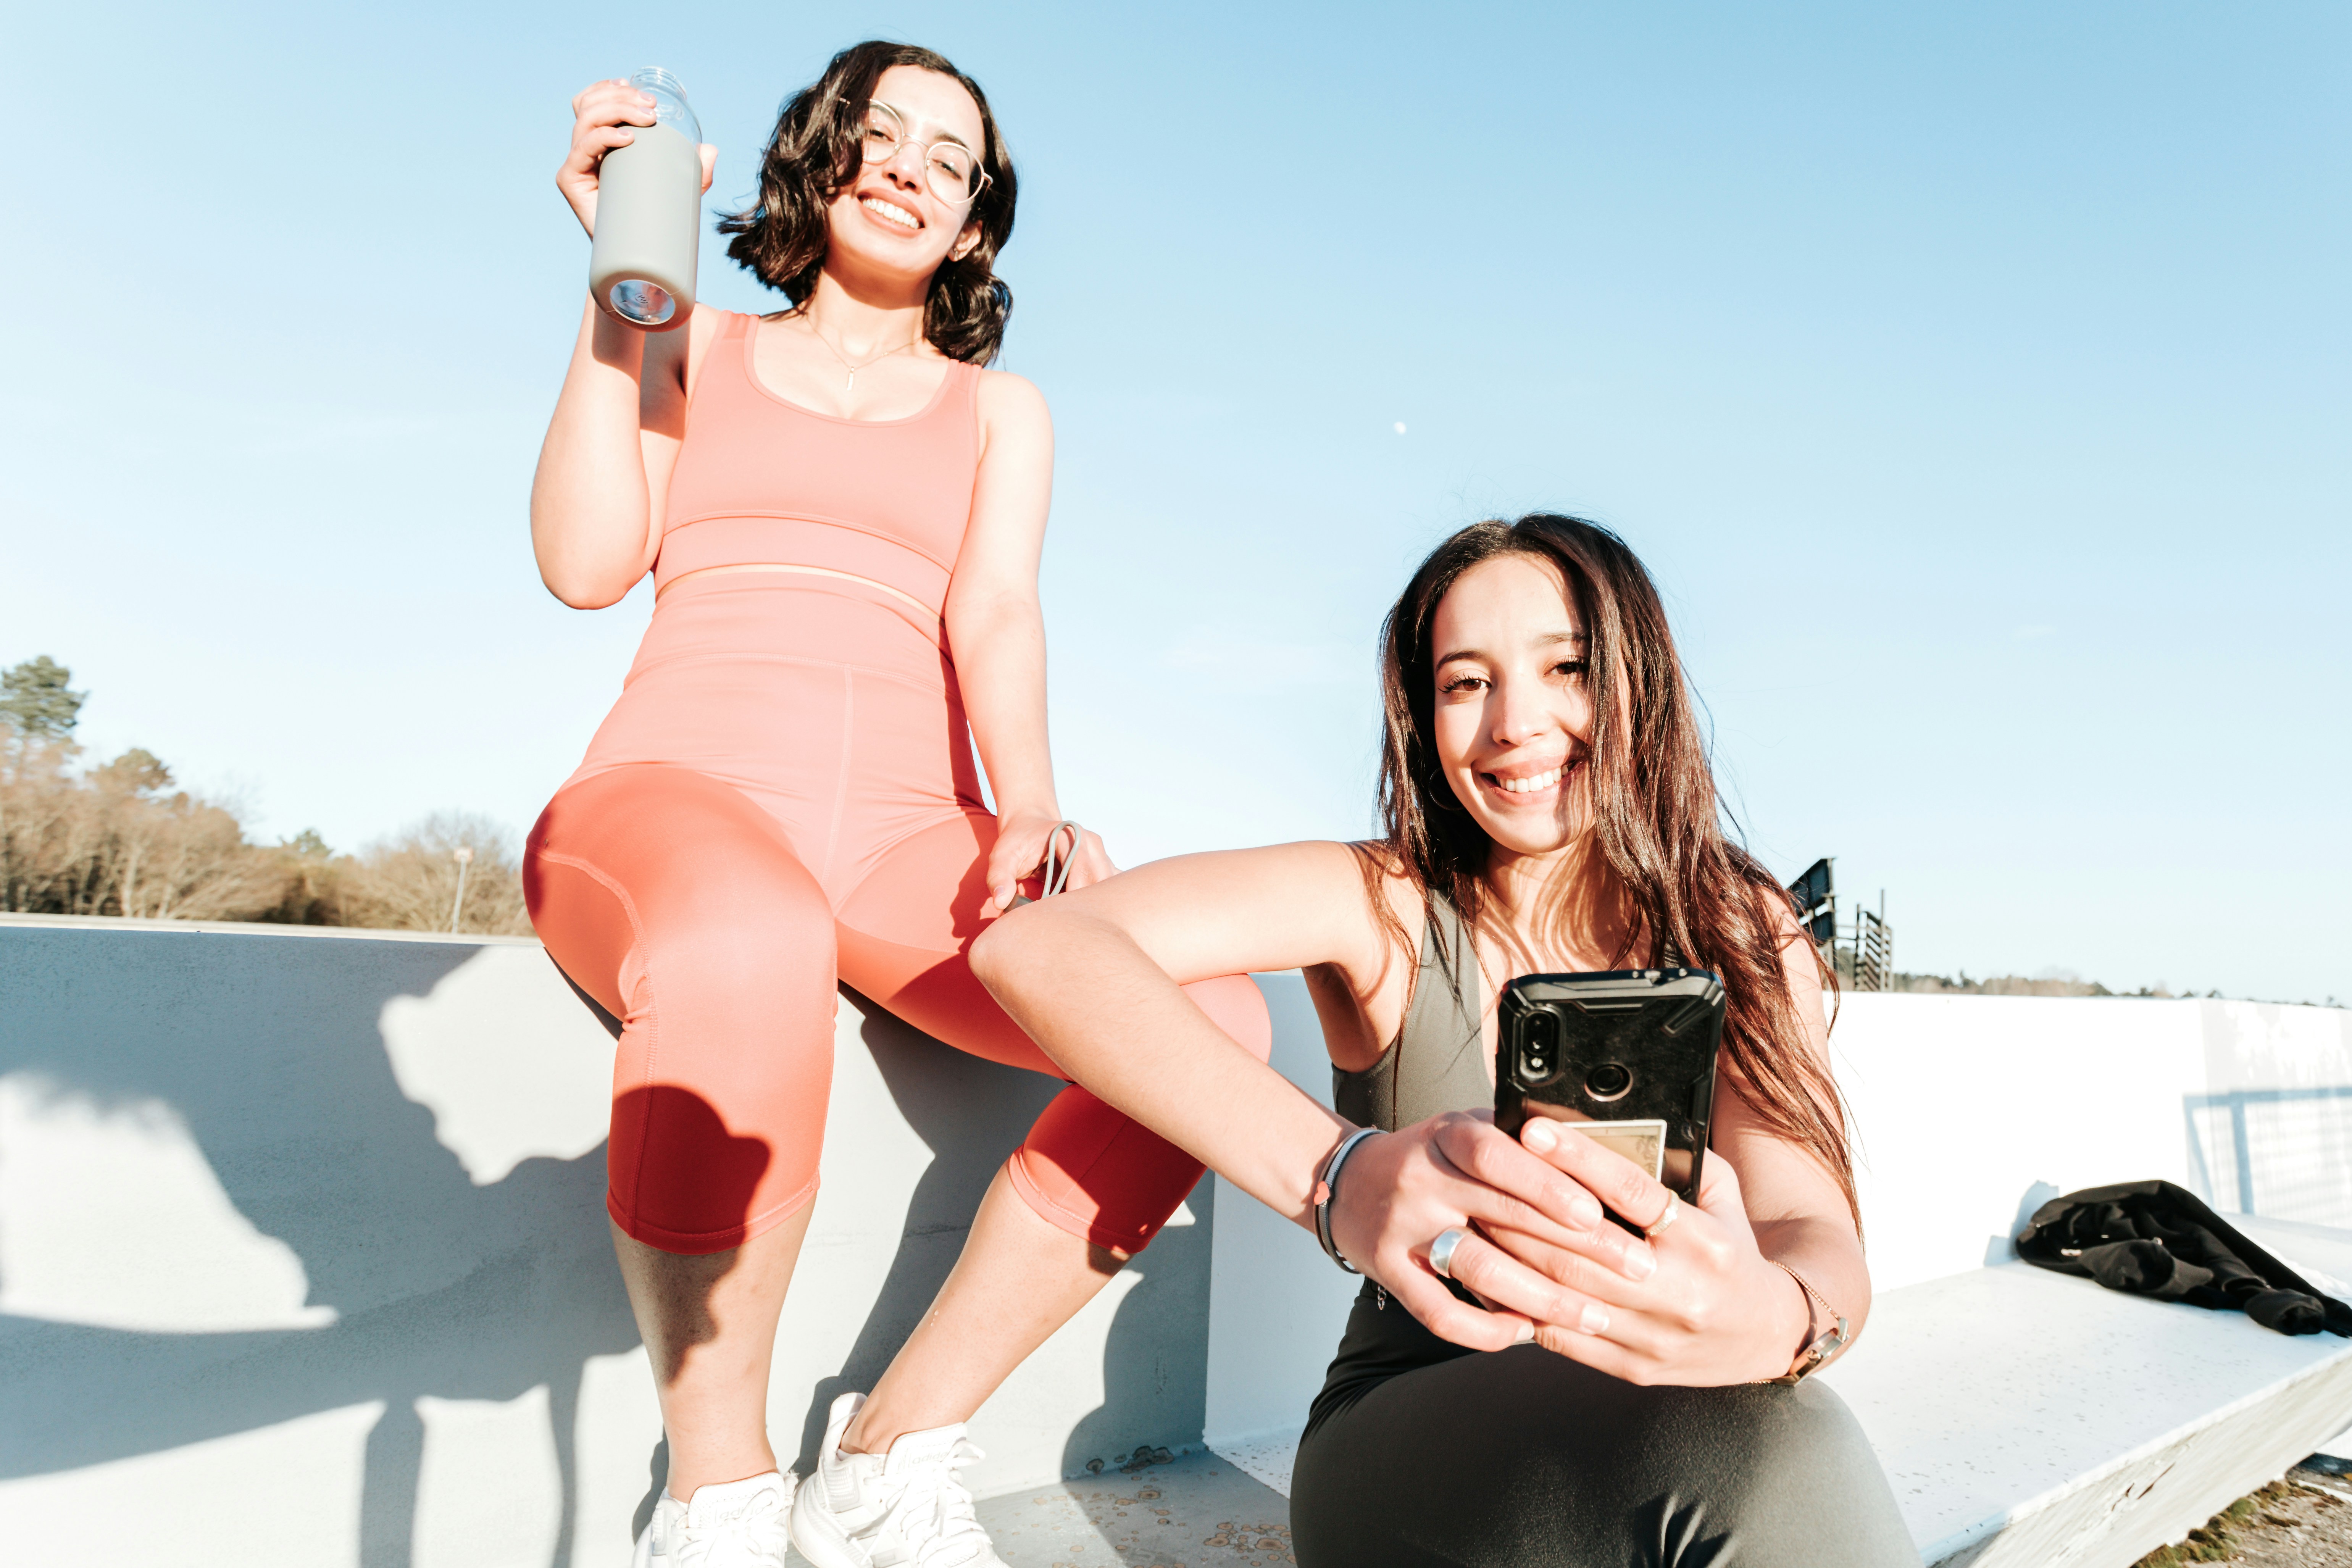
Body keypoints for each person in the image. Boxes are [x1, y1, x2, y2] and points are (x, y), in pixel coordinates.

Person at [525, 41, 1270, 1568]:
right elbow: (585, 563)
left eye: (950, 153)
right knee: (749, 929)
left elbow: (996, 615)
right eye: (880, 132)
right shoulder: (685, 337)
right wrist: (614, 283)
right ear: (817, 156)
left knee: (1211, 1014)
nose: (909, 163)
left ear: (976, 221)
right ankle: (717, 1496)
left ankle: (886, 1452)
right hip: (667, 802)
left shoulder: (1003, 414)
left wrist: (1034, 816)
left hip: (903, 843)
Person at [973, 515, 1918, 1566]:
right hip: (1413, 1431)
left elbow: (1812, 1228)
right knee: (1774, 1454)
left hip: (1673, 1422)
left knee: (1767, 1434)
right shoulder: (1384, 900)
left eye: (1565, 667)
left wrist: (1783, 1320)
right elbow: (1039, 948)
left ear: (1637, 682)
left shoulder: (1738, 923)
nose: (1515, 723)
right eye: (1465, 682)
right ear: (1422, 718)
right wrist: (1338, 1173)